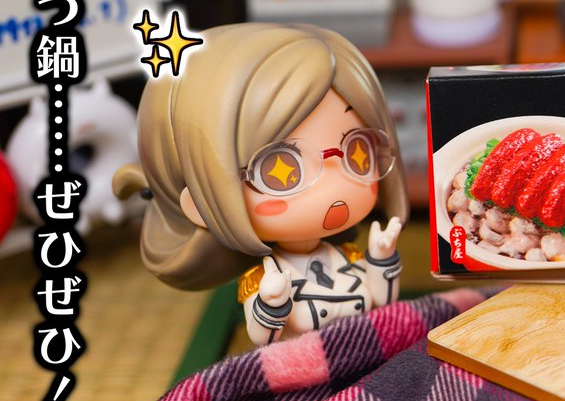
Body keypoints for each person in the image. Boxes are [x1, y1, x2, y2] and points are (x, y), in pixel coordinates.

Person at [114, 23, 408, 345]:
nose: (336, 184)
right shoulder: (264, 279)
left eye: (356, 152)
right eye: (282, 169)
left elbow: (382, 302)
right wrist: (272, 302)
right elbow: (264, 338)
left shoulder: (349, 258)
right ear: (201, 202)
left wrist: (381, 258)